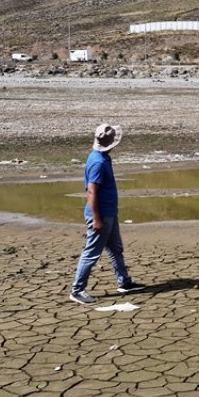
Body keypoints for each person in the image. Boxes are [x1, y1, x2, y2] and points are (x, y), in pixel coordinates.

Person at [70, 123, 145, 304]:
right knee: (92, 252)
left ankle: (124, 282)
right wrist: (96, 219)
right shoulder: (98, 162)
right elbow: (91, 191)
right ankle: (77, 290)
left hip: (109, 213)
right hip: (101, 215)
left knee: (116, 249)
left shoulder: (102, 158)